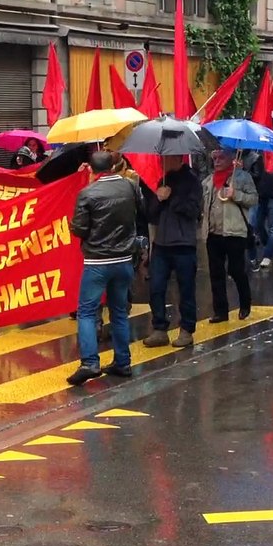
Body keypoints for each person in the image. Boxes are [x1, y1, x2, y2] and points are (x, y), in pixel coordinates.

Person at [68, 151, 139, 386]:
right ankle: (123, 361)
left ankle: (90, 362)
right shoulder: (129, 186)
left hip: (97, 261)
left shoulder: (87, 194)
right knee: (119, 310)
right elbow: (141, 210)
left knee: (87, 312)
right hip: (123, 258)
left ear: (91, 169)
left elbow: (79, 229)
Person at [143, 155, 203, 348]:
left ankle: (186, 329)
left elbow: (194, 211)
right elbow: (150, 214)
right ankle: (159, 327)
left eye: (166, 159)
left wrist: (173, 198)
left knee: (185, 289)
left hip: (184, 243)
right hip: (161, 243)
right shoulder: (163, 179)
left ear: (177, 159)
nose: (162, 162)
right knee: (156, 287)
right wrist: (158, 199)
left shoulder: (192, 180)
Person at [201, 147, 257, 322]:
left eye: (221, 158)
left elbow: (253, 199)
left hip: (234, 232)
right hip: (213, 232)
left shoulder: (241, 177)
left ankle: (245, 303)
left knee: (236, 269)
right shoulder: (208, 181)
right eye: (215, 158)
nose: (217, 161)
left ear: (230, 158)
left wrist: (236, 195)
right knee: (216, 273)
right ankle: (220, 311)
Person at [245, 151, 273, 269]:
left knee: (272, 226)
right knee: (257, 225)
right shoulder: (255, 155)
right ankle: (268, 245)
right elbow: (258, 175)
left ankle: (268, 254)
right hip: (260, 194)